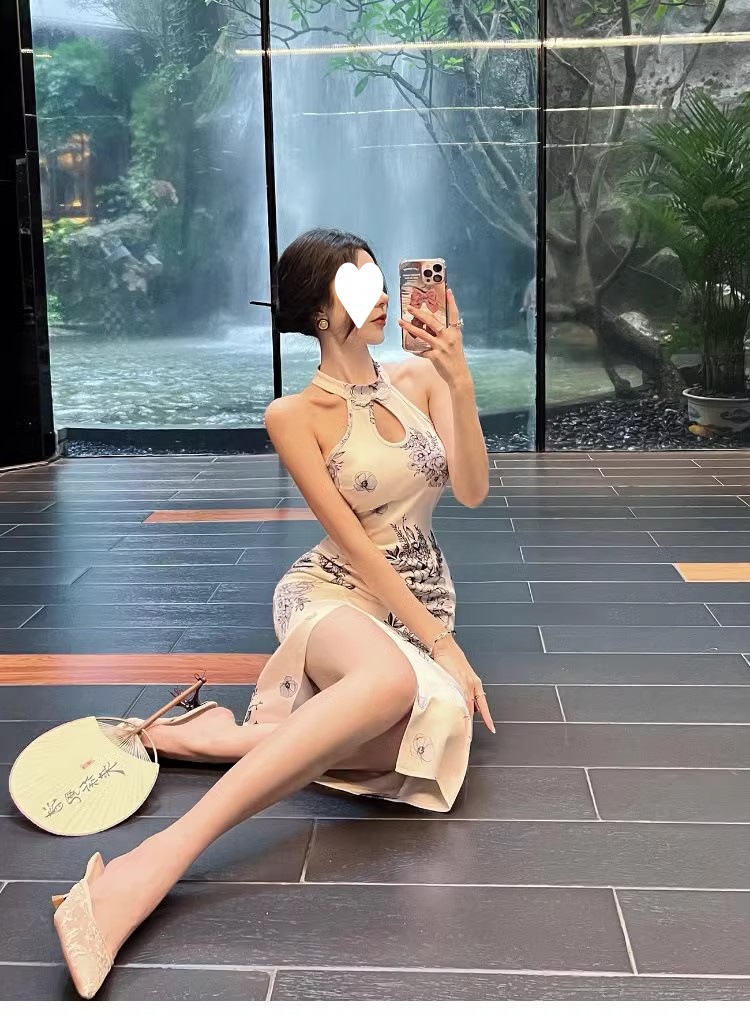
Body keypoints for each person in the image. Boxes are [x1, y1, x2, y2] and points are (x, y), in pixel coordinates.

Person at [52, 227, 493, 999]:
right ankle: (149, 865)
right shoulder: (293, 414)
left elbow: (472, 491)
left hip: (419, 596)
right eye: (357, 284)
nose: (379, 296)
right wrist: (443, 645)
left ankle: (221, 737)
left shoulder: (420, 377)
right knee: (396, 690)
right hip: (333, 591)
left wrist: (459, 382)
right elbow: (354, 545)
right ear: (320, 311)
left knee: (428, 736)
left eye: (378, 279)